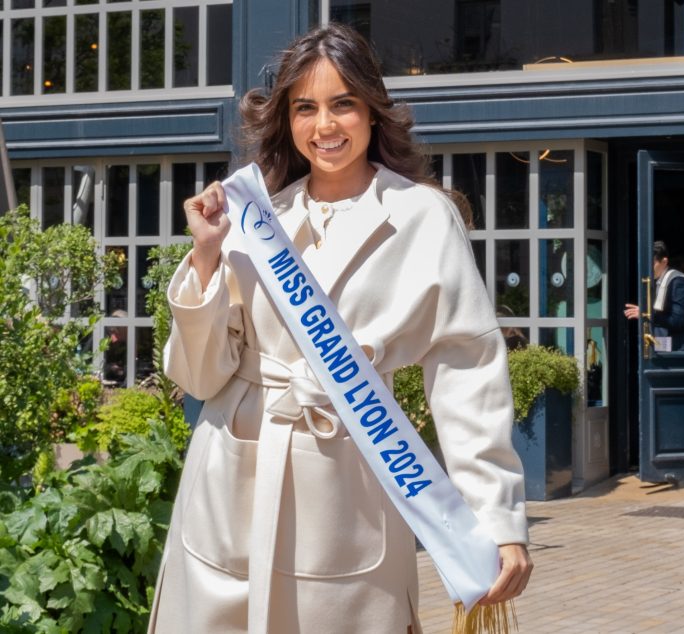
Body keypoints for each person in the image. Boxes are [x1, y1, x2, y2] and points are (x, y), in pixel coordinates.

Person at [148, 23, 532, 633]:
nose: (324, 126)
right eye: (306, 108)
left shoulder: (422, 217)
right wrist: (205, 258)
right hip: (230, 482)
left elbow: (467, 374)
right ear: (287, 121)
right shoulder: (258, 220)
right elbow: (199, 377)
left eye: (342, 104)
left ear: (373, 112)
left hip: (347, 490)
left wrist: (499, 520)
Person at [624, 240, 684, 352]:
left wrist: (646, 314)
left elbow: (677, 321)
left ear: (664, 261)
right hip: (667, 346)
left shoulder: (678, 283)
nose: (649, 268)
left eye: (653, 264)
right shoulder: (654, 282)